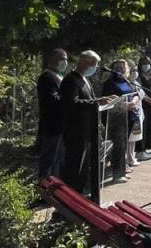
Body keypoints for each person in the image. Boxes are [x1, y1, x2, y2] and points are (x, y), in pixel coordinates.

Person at [60, 51, 117, 195]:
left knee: (84, 170)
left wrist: (102, 99)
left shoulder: (84, 79)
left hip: (87, 130)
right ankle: (69, 202)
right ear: (84, 63)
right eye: (94, 64)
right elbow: (73, 102)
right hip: (75, 132)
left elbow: (89, 99)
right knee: (74, 170)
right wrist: (97, 102)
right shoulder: (71, 80)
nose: (96, 67)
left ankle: (79, 198)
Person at [100, 59, 135, 184]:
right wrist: (125, 106)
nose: (120, 69)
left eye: (122, 67)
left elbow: (133, 93)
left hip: (128, 117)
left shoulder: (126, 81)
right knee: (118, 146)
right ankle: (117, 174)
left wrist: (134, 102)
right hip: (115, 119)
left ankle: (122, 171)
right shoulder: (109, 83)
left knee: (123, 145)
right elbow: (108, 102)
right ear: (112, 69)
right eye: (117, 67)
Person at [36, 48, 67, 179]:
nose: (65, 62)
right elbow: (51, 100)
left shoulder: (60, 77)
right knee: (49, 158)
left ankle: (56, 188)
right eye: (62, 59)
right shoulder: (46, 77)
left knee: (58, 159)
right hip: (52, 125)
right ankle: (44, 188)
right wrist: (68, 98)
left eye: (66, 59)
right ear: (51, 59)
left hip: (61, 124)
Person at [136, 57, 151, 154]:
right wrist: (149, 100)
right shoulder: (138, 77)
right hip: (143, 104)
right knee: (143, 127)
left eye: (147, 63)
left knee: (149, 126)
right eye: (143, 63)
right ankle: (141, 150)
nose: (146, 64)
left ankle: (147, 148)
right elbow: (140, 90)